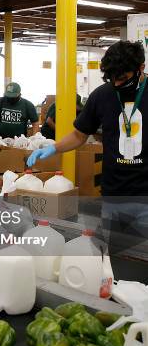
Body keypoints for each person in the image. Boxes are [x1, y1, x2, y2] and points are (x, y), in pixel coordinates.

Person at [28, 41, 148, 240]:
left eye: (123, 78)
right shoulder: (102, 95)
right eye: (112, 79)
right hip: (114, 194)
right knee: (115, 256)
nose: (117, 84)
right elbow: (79, 135)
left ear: (141, 68)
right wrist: (54, 148)